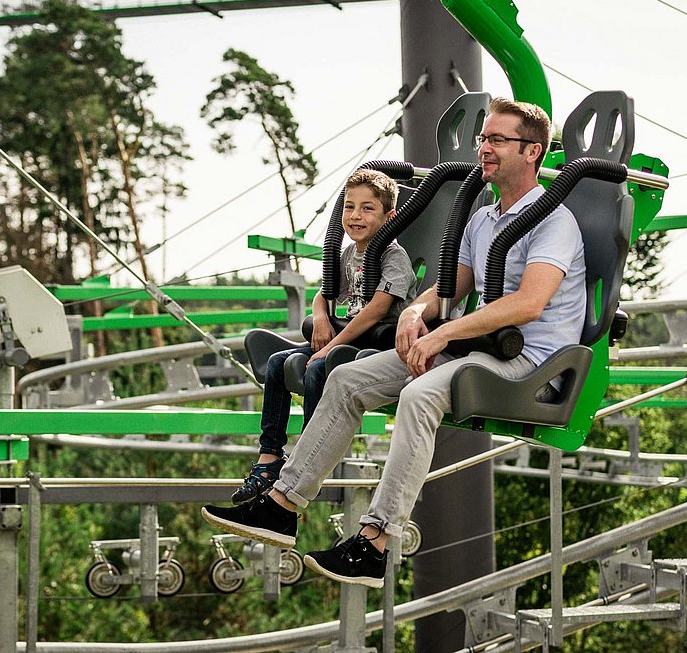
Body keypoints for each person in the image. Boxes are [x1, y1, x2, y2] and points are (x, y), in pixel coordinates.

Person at [203, 97, 585, 588]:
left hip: (531, 366)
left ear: (532, 152)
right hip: (480, 349)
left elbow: (529, 304)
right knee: (345, 377)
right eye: (482, 139)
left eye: (496, 140)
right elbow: (454, 284)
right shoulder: (484, 219)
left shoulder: (554, 221)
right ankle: (282, 504)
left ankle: (377, 541)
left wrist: (443, 330)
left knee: (419, 394)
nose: (484, 149)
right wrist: (414, 311)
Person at [227, 168, 417, 505]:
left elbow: (377, 309)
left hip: (377, 343)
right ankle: (269, 457)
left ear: (390, 217)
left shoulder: (394, 257)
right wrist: (320, 319)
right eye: (349, 207)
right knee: (276, 363)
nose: (355, 216)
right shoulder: (349, 255)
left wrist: (330, 346)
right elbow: (324, 294)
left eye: (367, 208)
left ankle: (305, 458)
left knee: (316, 369)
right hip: (348, 335)